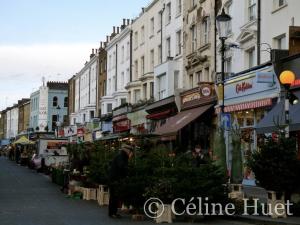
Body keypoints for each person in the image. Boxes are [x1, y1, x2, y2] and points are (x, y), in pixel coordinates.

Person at [108, 143, 133, 218]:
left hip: (114, 179)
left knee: (114, 196)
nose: (130, 152)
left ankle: (113, 212)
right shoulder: (121, 157)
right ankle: (112, 213)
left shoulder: (121, 156)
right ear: (126, 150)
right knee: (114, 196)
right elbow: (122, 166)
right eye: (129, 150)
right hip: (115, 180)